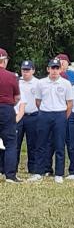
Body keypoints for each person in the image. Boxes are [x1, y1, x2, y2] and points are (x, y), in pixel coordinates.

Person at [29, 58, 73, 183]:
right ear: (48, 69)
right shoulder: (41, 83)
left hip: (60, 114)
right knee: (41, 144)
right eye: (52, 68)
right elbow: (38, 101)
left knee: (59, 144)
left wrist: (64, 117)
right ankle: (38, 171)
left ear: (60, 69)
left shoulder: (66, 83)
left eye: (56, 68)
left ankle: (59, 173)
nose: (54, 71)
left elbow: (69, 103)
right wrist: (45, 111)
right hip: (44, 114)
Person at [0, 48, 21, 183]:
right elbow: (18, 97)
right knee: (11, 142)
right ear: (5, 61)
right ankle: (10, 175)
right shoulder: (12, 76)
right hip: (6, 109)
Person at [16, 60, 39, 177]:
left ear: (33, 70)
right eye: (23, 70)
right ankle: (12, 167)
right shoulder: (17, 82)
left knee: (32, 144)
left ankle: (33, 169)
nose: (25, 73)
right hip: (18, 116)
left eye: (28, 70)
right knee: (15, 143)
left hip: (33, 115)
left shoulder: (38, 83)